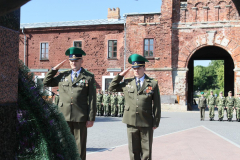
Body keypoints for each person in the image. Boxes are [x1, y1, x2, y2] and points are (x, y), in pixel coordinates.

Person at [43, 47, 96, 160]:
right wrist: (55, 68)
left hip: (80, 116)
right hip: (64, 115)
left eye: (76, 60)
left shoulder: (88, 77)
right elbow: (46, 82)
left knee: (80, 147)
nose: (74, 63)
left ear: (81, 61)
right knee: (64, 144)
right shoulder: (63, 75)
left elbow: (92, 99)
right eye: (71, 61)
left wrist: (91, 118)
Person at [109, 54, 161, 160]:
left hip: (146, 121)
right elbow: (111, 88)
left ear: (144, 68)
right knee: (133, 151)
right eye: (134, 68)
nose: (136, 70)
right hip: (131, 121)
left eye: (138, 68)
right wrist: (121, 75)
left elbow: (157, 105)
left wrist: (155, 122)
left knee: (146, 151)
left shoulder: (152, 84)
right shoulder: (127, 83)